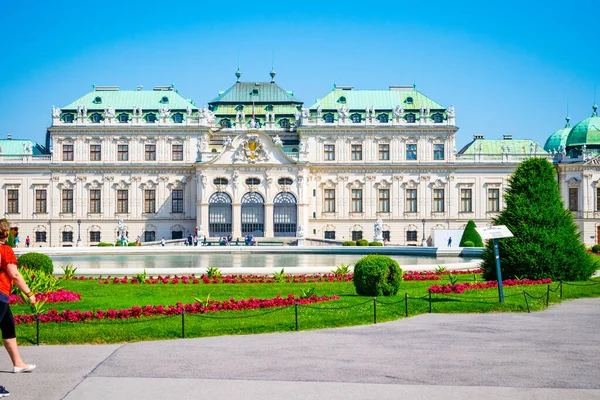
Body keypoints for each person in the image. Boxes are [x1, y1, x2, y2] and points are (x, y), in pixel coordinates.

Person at [0, 219, 37, 376]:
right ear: (7, 234)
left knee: (8, 326)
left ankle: (18, 363)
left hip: (2, 297)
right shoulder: (5, 250)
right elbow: (14, 274)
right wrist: (29, 293)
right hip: (0, 293)